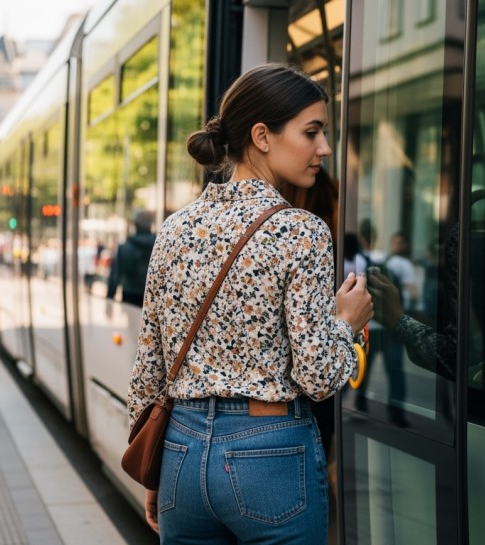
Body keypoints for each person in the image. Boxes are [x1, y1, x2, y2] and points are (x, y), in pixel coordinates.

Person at [127, 62, 373, 543]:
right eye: (313, 132)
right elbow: (319, 378)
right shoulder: (301, 230)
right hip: (271, 454)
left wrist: (156, 473)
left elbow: (148, 369)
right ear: (262, 135)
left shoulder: (175, 228)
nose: (324, 148)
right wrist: (347, 321)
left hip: (180, 451)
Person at [106, 209, 156, 306]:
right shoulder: (159, 247)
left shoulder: (125, 248)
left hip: (130, 296)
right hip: (152, 298)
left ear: (135, 224)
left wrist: (109, 299)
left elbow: (115, 276)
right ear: (151, 225)